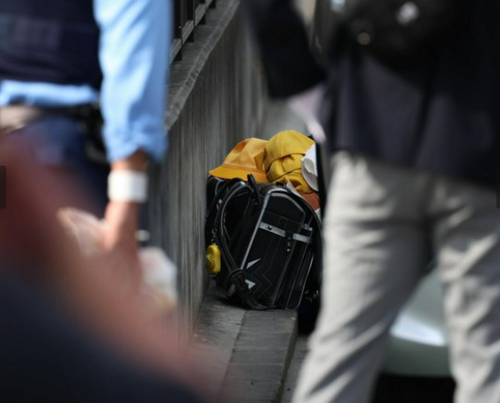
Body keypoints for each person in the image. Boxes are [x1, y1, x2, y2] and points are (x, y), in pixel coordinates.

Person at [243, 1, 500, 402]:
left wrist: (304, 90)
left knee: (340, 356)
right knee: (485, 359)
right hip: (476, 138)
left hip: (371, 132)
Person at [0, 0, 171, 279]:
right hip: (58, 156)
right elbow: (133, 51)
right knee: (81, 299)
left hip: (42, 145)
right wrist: (127, 197)